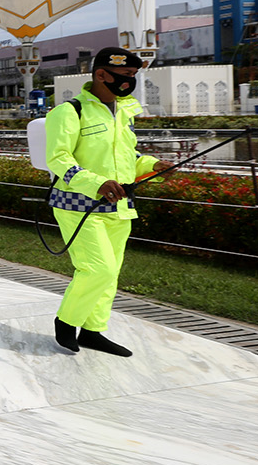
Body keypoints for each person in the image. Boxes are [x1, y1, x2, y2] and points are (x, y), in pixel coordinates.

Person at [45, 48, 173, 357]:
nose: (130, 82)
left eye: (133, 76)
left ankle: (93, 331)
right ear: (102, 74)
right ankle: (66, 322)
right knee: (97, 269)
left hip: (119, 207)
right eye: (126, 76)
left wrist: (153, 166)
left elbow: (127, 159)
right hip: (78, 206)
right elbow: (59, 159)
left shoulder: (124, 112)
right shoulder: (69, 111)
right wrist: (96, 183)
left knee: (111, 272)